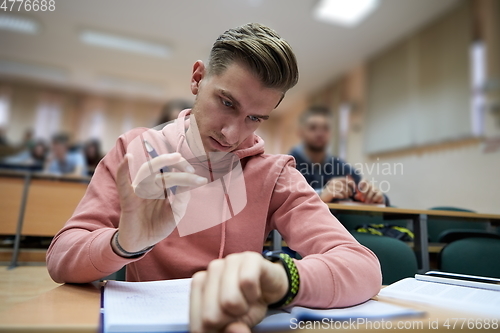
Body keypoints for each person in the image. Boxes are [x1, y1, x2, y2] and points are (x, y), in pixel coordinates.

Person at [46, 23, 381, 332]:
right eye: (226, 102)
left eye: (254, 118)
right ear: (197, 78)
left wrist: (282, 279)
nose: (232, 133)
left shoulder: (276, 174)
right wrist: (124, 243)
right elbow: (61, 258)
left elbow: (363, 267)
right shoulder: (137, 150)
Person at [289, 107, 388, 205]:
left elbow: (363, 191)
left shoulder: (340, 167)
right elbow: (281, 202)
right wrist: (320, 195)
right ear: (300, 132)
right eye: (313, 128)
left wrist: (378, 198)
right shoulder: (287, 165)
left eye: (325, 128)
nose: (320, 133)